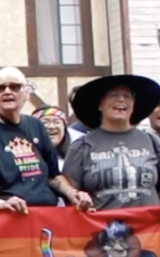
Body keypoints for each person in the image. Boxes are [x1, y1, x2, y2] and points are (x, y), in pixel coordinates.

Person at [0, 68, 92, 213]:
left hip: (46, 216)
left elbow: (53, 175)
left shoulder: (36, 125)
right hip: (4, 219)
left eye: (15, 87)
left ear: (26, 92)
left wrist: (72, 193)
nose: (7, 91)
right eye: (0, 88)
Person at [63, 74, 160, 210]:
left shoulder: (151, 141)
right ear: (99, 105)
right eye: (113, 95)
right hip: (104, 229)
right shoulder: (82, 146)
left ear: (133, 106)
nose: (121, 99)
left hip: (149, 229)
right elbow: (69, 194)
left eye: (127, 96)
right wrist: (79, 200)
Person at [33, 106, 71, 170]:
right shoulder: (27, 158)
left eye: (57, 122)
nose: (51, 126)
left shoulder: (75, 156)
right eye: (45, 122)